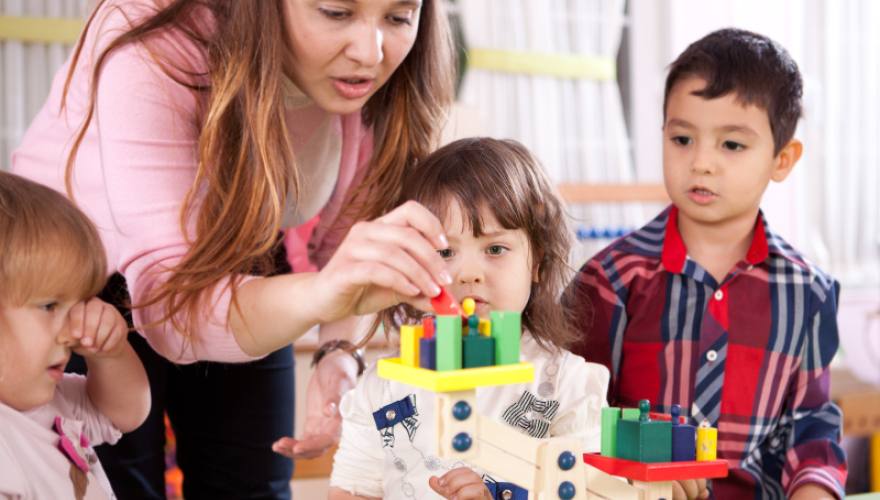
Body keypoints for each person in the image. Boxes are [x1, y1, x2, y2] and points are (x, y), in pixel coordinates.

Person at [11, 0, 456, 497]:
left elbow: (348, 254)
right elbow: (174, 314)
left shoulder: (373, 88)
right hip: (79, 272)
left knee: (252, 483)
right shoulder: (152, 38)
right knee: (114, 481)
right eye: (335, 11)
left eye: (398, 17)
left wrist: (337, 354)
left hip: (239, 253)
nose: (371, 52)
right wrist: (323, 292)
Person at [569, 29, 847, 500]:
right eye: (682, 138)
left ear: (782, 159)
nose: (701, 162)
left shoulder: (809, 292)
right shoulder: (610, 279)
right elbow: (572, 416)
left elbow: (812, 433)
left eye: (731, 145)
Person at [328, 138, 611, 500]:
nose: (469, 274)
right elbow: (350, 490)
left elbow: (594, 492)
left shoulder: (567, 385)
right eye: (445, 252)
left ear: (537, 261)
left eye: (495, 249)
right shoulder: (382, 387)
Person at [0, 171, 151, 499]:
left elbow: (124, 414)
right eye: (50, 305)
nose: (72, 330)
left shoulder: (52, 399)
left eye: (80, 304)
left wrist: (112, 355)